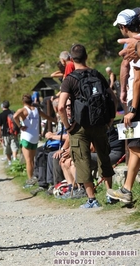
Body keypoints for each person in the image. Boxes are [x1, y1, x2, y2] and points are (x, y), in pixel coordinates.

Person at [58, 44, 117, 209]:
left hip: (79, 126)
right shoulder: (97, 74)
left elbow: (61, 107)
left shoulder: (70, 79)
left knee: (82, 161)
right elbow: (113, 99)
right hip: (100, 123)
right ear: (86, 57)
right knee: (103, 158)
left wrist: (68, 127)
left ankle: (92, 199)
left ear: (71, 59)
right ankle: (110, 193)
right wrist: (110, 121)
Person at [107, 9, 140, 204]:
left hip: (136, 102)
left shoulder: (135, 44)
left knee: (135, 145)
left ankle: (126, 189)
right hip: (133, 101)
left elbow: (137, 80)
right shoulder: (134, 43)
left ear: (123, 27)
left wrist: (132, 109)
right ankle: (126, 189)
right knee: (135, 146)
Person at [14, 94, 56, 188]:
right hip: (35, 137)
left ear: (23, 101)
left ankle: (30, 180)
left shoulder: (23, 110)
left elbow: (15, 116)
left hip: (26, 137)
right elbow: (46, 117)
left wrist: (20, 126)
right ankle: (34, 177)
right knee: (32, 160)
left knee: (28, 161)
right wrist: (55, 121)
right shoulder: (36, 110)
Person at [0, 100, 19, 166]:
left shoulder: (0, 115)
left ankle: (9, 161)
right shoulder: (12, 113)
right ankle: (15, 159)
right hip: (13, 132)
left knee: (7, 148)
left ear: (2, 106)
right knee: (14, 146)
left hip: (5, 134)